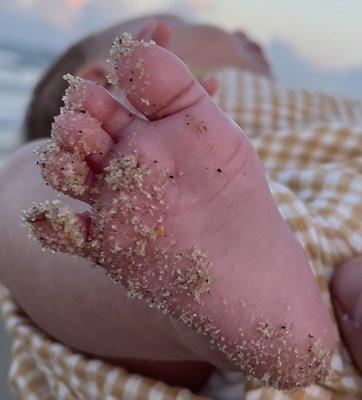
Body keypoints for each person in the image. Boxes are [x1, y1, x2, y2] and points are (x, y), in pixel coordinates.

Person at [0, 15, 361, 400]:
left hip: (329, 219)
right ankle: (189, 307)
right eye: (191, 24)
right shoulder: (190, 107)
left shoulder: (328, 107)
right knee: (26, 178)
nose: (245, 34)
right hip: (278, 238)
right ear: (106, 80)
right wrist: (132, 121)